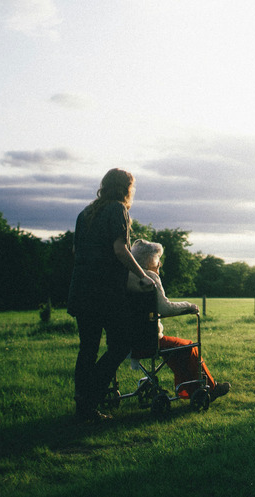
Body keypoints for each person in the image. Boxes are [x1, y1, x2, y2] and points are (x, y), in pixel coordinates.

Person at [67, 168, 155, 422]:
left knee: (88, 348)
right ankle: (90, 396)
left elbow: (77, 250)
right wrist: (142, 275)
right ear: (126, 188)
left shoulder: (85, 213)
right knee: (121, 345)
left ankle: (83, 406)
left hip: (81, 289)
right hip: (104, 292)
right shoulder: (118, 210)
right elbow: (120, 249)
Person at [127, 239, 230, 401]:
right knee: (188, 346)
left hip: (128, 340)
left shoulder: (127, 277)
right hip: (149, 340)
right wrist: (189, 306)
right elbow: (165, 308)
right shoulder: (149, 277)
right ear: (148, 260)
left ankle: (189, 390)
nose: (159, 263)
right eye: (157, 259)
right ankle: (210, 387)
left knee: (176, 349)